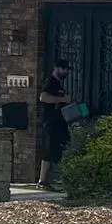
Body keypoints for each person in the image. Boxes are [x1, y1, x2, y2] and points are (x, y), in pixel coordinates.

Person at [37, 59, 74, 189]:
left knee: (61, 148)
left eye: (67, 70)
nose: (65, 72)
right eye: (63, 69)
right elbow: (43, 97)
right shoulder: (51, 82)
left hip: (60, 122)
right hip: (51, 122)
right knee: (50, 150)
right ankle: (43, 181)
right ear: (56, 68)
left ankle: (56, 179)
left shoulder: (58, 84)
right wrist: (63, 99)